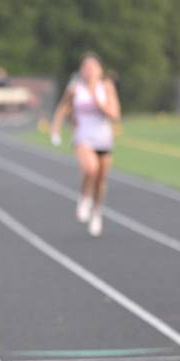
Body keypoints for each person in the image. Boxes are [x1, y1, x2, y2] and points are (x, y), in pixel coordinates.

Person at [50, 52, 121, 237]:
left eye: (93, 67)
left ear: (100, 70)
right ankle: (84, 197)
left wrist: (100, 104)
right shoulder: (75, 88)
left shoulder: (106, 87)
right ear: (81, 70)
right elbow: (64, 107)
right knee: (90, 168)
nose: (89, 71)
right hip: (83, 137)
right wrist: (55, 128)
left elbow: (115, 114)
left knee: (100, 180)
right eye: (86, 67)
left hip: (103, 138)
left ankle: (97, 212)